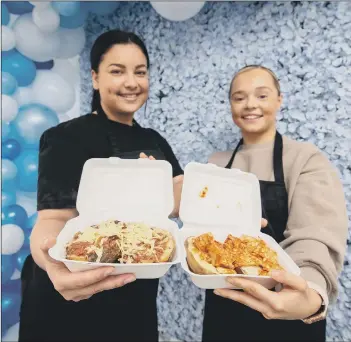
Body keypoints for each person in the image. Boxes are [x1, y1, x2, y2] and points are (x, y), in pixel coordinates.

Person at [18, 29, 183, 342]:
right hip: (69, 295)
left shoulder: (154, 141)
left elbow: (180, 196)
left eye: (140, 72)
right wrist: (53, 266)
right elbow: (52, 219)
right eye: (117, 71)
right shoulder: (65, 137)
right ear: (95, 78)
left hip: (135, 292)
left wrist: (225, 218)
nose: (131, 82)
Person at [203, 65, 348, 341]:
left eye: (262, 95)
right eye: (239, 97)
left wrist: (309, 293)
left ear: (279, 100)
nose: (250, 105)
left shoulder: (305, 158)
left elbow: (315, 234)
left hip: (289, 302)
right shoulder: (215, 164)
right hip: (224, 302)